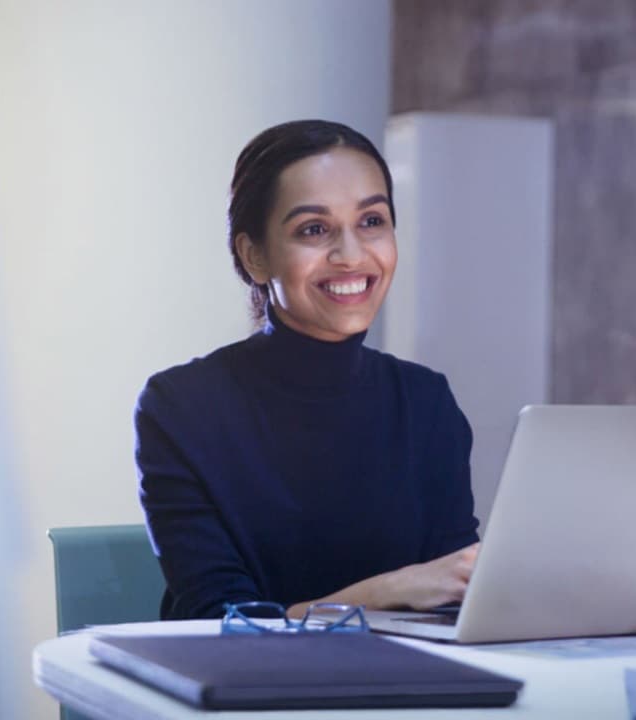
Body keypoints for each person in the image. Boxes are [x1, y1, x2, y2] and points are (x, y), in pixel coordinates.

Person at [135, 120, 479, 620]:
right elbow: (218, 623)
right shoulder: (181, 406)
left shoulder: (426, 400)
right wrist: (388, 591)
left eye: (372, 221)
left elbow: (453, 598)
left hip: (410, 690)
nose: (352, 255)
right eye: (313, 230)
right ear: (254, 257)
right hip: (249, 693)